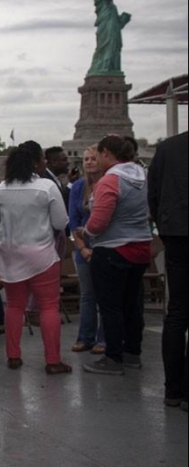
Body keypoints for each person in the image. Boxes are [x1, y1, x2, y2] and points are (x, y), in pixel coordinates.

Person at [0, 144, 71, 375]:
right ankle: (53, 360)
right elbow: (60, 223)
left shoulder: (2, 188)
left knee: (15, 306)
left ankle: (13, 355)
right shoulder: (47, 187)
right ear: (37, 162)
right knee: (48, 307)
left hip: (9, 254)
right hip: (41, 255)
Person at [77, 135, 152, 376]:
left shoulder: (110, 180)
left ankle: (113, 357)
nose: (96, 158)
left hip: (112, 250)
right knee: (132, 305)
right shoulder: (142, 176)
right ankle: (133, 353)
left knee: (110, 307)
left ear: (107, 153)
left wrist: (85, 231)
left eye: (98, 154)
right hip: (141, 247)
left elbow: (99, 222)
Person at [148, 131, 188, 409]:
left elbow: (153, 194)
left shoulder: (168, 148)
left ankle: (173, 390)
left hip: (175, 234)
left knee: (177, 312)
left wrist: (165, 227)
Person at [69, 144, 106, 354]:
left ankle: (104, 339)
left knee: (105, 296)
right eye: (86, 159)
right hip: (83, 248)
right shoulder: (77, 187)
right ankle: (85, 337)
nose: (90, 162)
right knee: (87, 295)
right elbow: (73, 219)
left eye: (93, 158)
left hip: (105, 246)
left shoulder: (108, 184)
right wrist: (81, 247)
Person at [87, 0, 131, 76]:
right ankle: (101, 67)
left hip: (114, 31)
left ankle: (112, 68)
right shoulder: (101, 3)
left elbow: (119, 23)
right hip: (104, 29)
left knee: (114, 48)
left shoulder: (113, 7)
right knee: (102, 48)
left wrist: (124, 20)